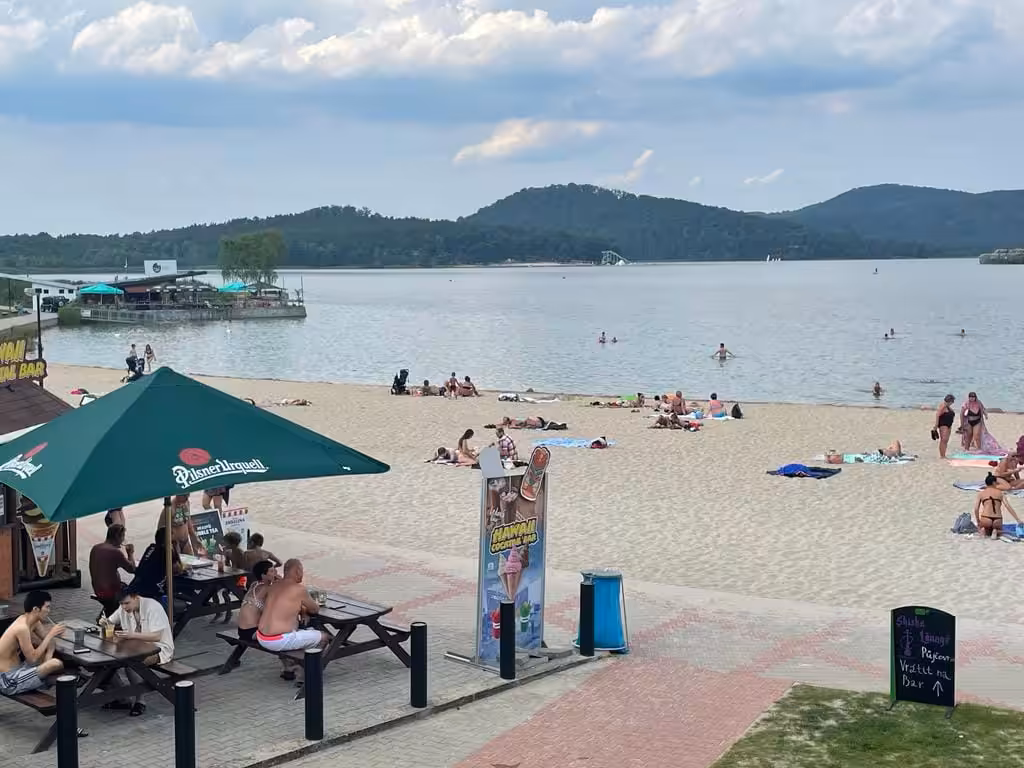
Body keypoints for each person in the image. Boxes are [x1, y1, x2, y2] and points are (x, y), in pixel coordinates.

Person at [103, 587, 174, 716]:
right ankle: (122, 697)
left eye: (127, 603)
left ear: (136, 597)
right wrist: (104, 622)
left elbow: (156, 636)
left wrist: (131, 635)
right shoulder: (124, 608)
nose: (124, 607)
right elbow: (110, 621)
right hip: (134, 647)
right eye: (121, 604)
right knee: (107, 663)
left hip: (158, 648)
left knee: (132, 663)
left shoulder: (152, 607)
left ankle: (140, 700)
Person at [256, 560, 328, 662]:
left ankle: (290, 665)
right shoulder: (299, 589)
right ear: (298, 571)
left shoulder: (273, 586)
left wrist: (303, 610)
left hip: (261, 636)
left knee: (307, 631)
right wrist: (306, 608)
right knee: (323, 637)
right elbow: (314, 609)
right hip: (277, 640)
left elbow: (285, 604)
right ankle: (309, 667)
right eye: (302, 571)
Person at [0, 591, 65, 697]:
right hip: (8, 680)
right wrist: (51, 634)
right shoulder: (22, 628)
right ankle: (51, 681)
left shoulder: (34, 622)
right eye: (47, 607)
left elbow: (50, 643)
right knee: (55, 664)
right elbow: (32, 659)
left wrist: (48, 656)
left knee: (51, 661)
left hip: (20, 668)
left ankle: (49, 680)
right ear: (36, 609)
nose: (49, 611)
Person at [223, 560, 278, 673]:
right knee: (286, 632)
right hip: (252, 632)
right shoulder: (268, 589)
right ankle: (290, 667)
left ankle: (289, 667)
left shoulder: (254, 584)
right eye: (272, 571)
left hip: (242, 630)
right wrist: (281, 582)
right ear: (263, 575)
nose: (275, 573)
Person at [89, 524, 136, 617]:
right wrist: (130, 553)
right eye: (122, 537)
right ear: (117, 537)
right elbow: (132, 569)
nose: (123, 540)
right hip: (111, 592)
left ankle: (109, 614)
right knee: (134, 593)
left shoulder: (95, 548)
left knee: (124, 587)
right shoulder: (115, 552)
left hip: (98, 589)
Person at [128, 528, 183, 602]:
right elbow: (178, 570)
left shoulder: (151, 547)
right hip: (151, 592)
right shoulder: (167, 551)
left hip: (136, 587)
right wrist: (175, 549)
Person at [973, 473, 1022, 539]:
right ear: (993, 483)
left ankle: (984, 530)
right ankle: (996, 531)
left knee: (983, 529)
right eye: (996, 483)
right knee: (1000, 531)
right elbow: (1008, 507)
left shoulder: (981, 493)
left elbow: (976, 508)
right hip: (997, 519)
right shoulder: (1000, 493)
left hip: (986, 518)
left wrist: (978, 521)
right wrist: (1018, 520)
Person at [934, 394, 956, 459]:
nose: (953, 403)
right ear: (949, 400)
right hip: (943, 424)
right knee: (943, 439)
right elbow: (937, 414)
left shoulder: (948, 406)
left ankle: (944, 454)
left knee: (946, 440)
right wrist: (936, 425)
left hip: (949, 424)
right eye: (952, 401)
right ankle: (942, 455)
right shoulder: (943, 406)